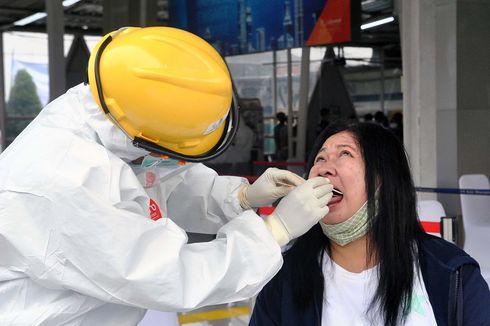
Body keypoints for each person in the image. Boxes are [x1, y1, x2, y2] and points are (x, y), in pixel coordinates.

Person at [0, 27, 333, 325]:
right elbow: (169, 275)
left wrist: (238, 196)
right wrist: (274, 232)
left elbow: (156, 179)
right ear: (145, 138)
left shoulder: (113, 110)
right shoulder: (65, 178)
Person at [250, 120, 490, 325]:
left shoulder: (453, 275)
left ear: (383, 180)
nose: (324, 168)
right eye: (320, 158)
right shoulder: (285, 280)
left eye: (345, 153)